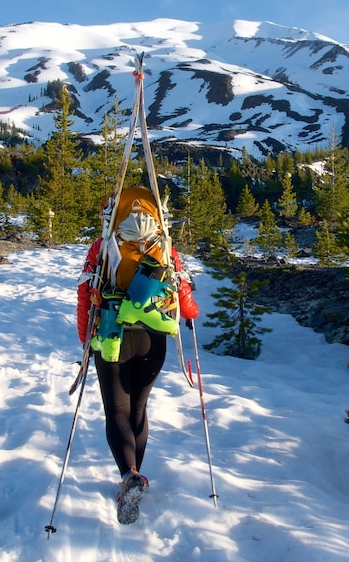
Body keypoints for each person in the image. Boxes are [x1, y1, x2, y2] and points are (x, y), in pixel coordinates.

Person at [76, 188, 200, 525]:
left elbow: (86, 293)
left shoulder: (103, 248)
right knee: (138, 410)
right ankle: (137, 476)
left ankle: (128, 475)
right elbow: (187, 306)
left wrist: (85, 340)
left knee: (116, 412)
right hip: (153, 340)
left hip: (112, 337)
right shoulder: (165, 249)